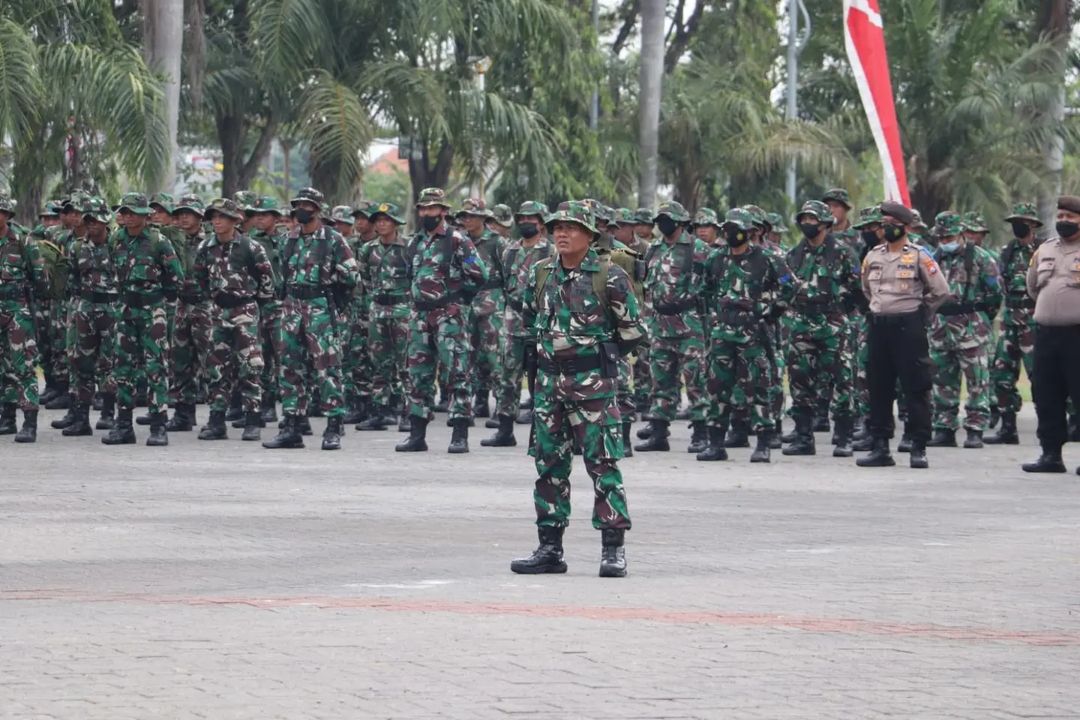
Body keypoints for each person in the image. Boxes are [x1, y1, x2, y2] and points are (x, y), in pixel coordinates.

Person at [510, 201, 644, 578]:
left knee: (603, 465)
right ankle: (550, 548)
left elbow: (633, 331)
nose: (562, 234)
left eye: (571, 227)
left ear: (589, 234)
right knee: (549, 466)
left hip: (593, 387)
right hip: (549, 386)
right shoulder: (540, 273)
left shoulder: (610, 275)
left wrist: (596, 361)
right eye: (557, 228)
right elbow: (528, 319)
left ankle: (612, 549)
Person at [696, 208, 796, 463]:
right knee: (717, 387)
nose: (732, 234)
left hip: (755, 336)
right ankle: (715, 442)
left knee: (759, 387)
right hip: (722, 335)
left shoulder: (768, 259)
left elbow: (790, 285)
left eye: (738, 229)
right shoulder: (716, 258)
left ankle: (763, 443)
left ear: (751, 232)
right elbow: (705, 290)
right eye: (728, 229)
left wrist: (769, 309)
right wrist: (716, 316)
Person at [263, 187, 358, 450]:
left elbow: (352, 276)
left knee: (327, 369)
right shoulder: (288, 239)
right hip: (292, 308)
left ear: (317, 209)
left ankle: (333, 426)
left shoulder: (333, 239)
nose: (301, 210)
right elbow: (280, 272)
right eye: (298, 205)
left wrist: (333, 286)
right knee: (291, 368)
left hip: (320, 310)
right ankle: (292, 426)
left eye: (307, 205)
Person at [856, 201, 949, 469]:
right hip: (879, 326)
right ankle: (880, 446)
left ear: (905, 227)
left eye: (891, 225)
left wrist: (920, 314)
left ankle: (918, 447)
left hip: (908, 327)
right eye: (883, 225)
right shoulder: (873, 255)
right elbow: (867, 289)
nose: (885, 229)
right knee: (879, 387)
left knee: (915, 387)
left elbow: (940, 291)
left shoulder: (920, 255)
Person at [395, 187, 488, 453]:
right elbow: (410, 275)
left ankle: (459, 434)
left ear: (443, 211)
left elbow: (479, 274)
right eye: (423, 208)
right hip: (419, 315)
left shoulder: (457, 240)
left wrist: (459, 300)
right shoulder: (415, 242)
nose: (426, 213)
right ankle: (417, 434)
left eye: (432, 208)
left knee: (457, 373)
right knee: (417, 375)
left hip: (450, 315)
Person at [101, 192, 183, 446]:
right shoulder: (116, 240)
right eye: (123, 212)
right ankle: (123, 425)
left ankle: (159, 427)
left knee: (155, 367)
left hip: (152, 311)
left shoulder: (159, 241)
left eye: (131, 213)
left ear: (144, 216)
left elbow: (176, 277)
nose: (125, 217)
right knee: (122, 367)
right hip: (125, 311)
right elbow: (114, 271)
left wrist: (159, 299)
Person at [782, 200, 862, 456]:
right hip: (802, 325)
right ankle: (804, 437)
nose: (808, 224)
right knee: (800, 381)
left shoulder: (843, 252)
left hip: (833, 326)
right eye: (804, 219)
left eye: (812, 220)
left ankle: (843, 438)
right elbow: (785, 287)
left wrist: (839, 312)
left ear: (825, 224)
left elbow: (856, 288)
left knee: (843, 383)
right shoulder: (794, 254)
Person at [193, 198, 275, 441]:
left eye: (222, 217)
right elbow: (199, 279)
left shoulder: (251, 247)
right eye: (213, 217)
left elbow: (267, 281)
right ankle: (217, 420)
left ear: (234, 220)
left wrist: (252, 303)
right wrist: (212, 299)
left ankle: (252, 420)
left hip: (245, 311)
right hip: (218, 312)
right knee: (216, 367)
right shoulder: (205, 248)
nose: (217, 221)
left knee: (250, 365)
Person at [634, 201, 711, 454]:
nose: (662, 224)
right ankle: (658, 432)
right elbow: (646, 283)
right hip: (660, 325)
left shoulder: (697, 248)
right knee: (661, 380)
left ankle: (701, 432)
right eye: (660, 219)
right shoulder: (654, 249)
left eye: (667, 219)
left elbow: (712, 283)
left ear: (680, 222)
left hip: (689, 324)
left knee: (696, 379)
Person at [926, 211, 1001, 449]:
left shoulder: (980, 257)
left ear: (960, 233)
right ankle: (944, 427)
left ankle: (975, 428)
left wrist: (980, 317)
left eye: (949, 236)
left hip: (971, 327)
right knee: (942, 380)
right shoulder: (932, 259)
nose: (945, 241)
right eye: (941, 237)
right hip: (940, 328)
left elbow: (994, 295)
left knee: (977, 380)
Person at [485, 200, 552, 447]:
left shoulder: (551, 252)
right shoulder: (509, 251)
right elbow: (505, 283)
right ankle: (505, 430)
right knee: (508, 377)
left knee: (542, 380)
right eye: (522, 218)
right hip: (513, 322)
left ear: (542, 223)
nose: (525, 222)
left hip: (542, 322)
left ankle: (540, 433)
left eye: (531, 218)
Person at [1021, 195, 1080, 474]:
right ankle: (1051, 455)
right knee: (1046, 394)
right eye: (1060, 217)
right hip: (1046, 334)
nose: (1063, 221)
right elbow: (1033, 287)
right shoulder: (1045, 250)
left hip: (1077, 335)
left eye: (1070, 217)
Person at [62, 197, 120, 436]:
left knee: (110, 363)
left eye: (97, 220)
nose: (93, 225)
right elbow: (72, 279)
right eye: (89, 220)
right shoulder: (77, 247)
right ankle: (81, 418)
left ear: (106, 221)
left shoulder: (118, 245)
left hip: (112, 309)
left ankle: (108, 414)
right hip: (85, 309)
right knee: (81, 362)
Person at [985, 202, 1041, 445]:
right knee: (1001, 374)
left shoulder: (1042, 251)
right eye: (1015, 222)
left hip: (1034, 321)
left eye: (1023, 222)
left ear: (1033, 225)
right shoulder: (1007, 252)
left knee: (1041, 376)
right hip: (1010, 321)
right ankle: (1008, 427)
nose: (1017, 226)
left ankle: (1059, 423)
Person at [355, 202, 412, 431]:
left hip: (403, 311)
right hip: (378, 311)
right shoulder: (369, 249)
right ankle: (381, 411)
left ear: (396, 223)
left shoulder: (409, 247)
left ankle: (410, 412)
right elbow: (364, 280)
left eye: (386, 220)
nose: (381, 223)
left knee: (406, 363)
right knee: (379, 363)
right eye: (377, 220)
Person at [0, 194, 49, 442]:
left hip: (17, 309)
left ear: (8, 215)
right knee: (2, 366)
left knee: (24, 365)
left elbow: (40, 278)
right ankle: (6, 417)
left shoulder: (22, 241)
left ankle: (29, 422)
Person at [164, 194, 212, 432]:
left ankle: (217, 414)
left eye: (188, 213)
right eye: (180, 213)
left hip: (206, 305)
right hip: (182, 305)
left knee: (209, 361)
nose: (183, 217)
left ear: (199, 217)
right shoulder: (174, 240)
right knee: (180, 359)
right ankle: (184, 413)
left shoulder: (211, 241)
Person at [457, 198, 507, 420]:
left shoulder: (497, 242)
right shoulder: (459, 241)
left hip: (491, 302)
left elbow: (509, 274)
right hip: (466, 302)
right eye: (465, 216)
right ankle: (478, 402)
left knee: (494, 356)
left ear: (483, 218)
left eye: (472, 216)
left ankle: (501, 407)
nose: (467, 220)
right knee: (469, 355)